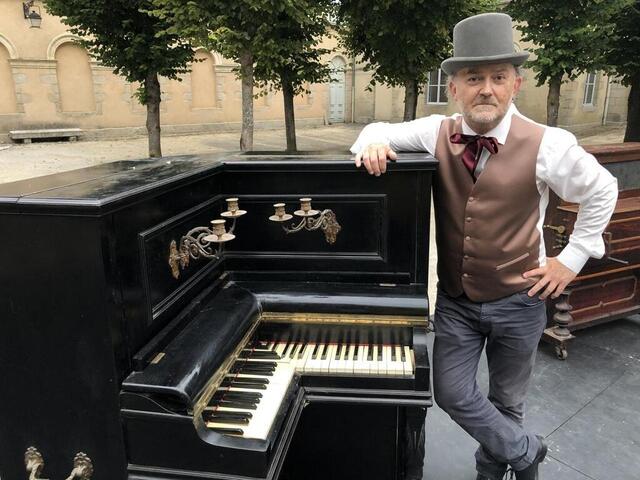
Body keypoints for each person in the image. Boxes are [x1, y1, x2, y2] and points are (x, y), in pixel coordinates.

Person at [350, 12, 618, 480]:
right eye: (474, 78)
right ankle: (527, 451)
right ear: (454, 87)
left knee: (506, 402)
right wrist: (369, 142)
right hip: (456, 300)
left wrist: (571, 259)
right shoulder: (435, 131)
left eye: (498, 77)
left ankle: (493, 472)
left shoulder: (548, 144)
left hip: (521, 298)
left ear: (516, 84)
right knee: (453, 394)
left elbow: (603, 189)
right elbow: (377, 130)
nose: (486, 89)